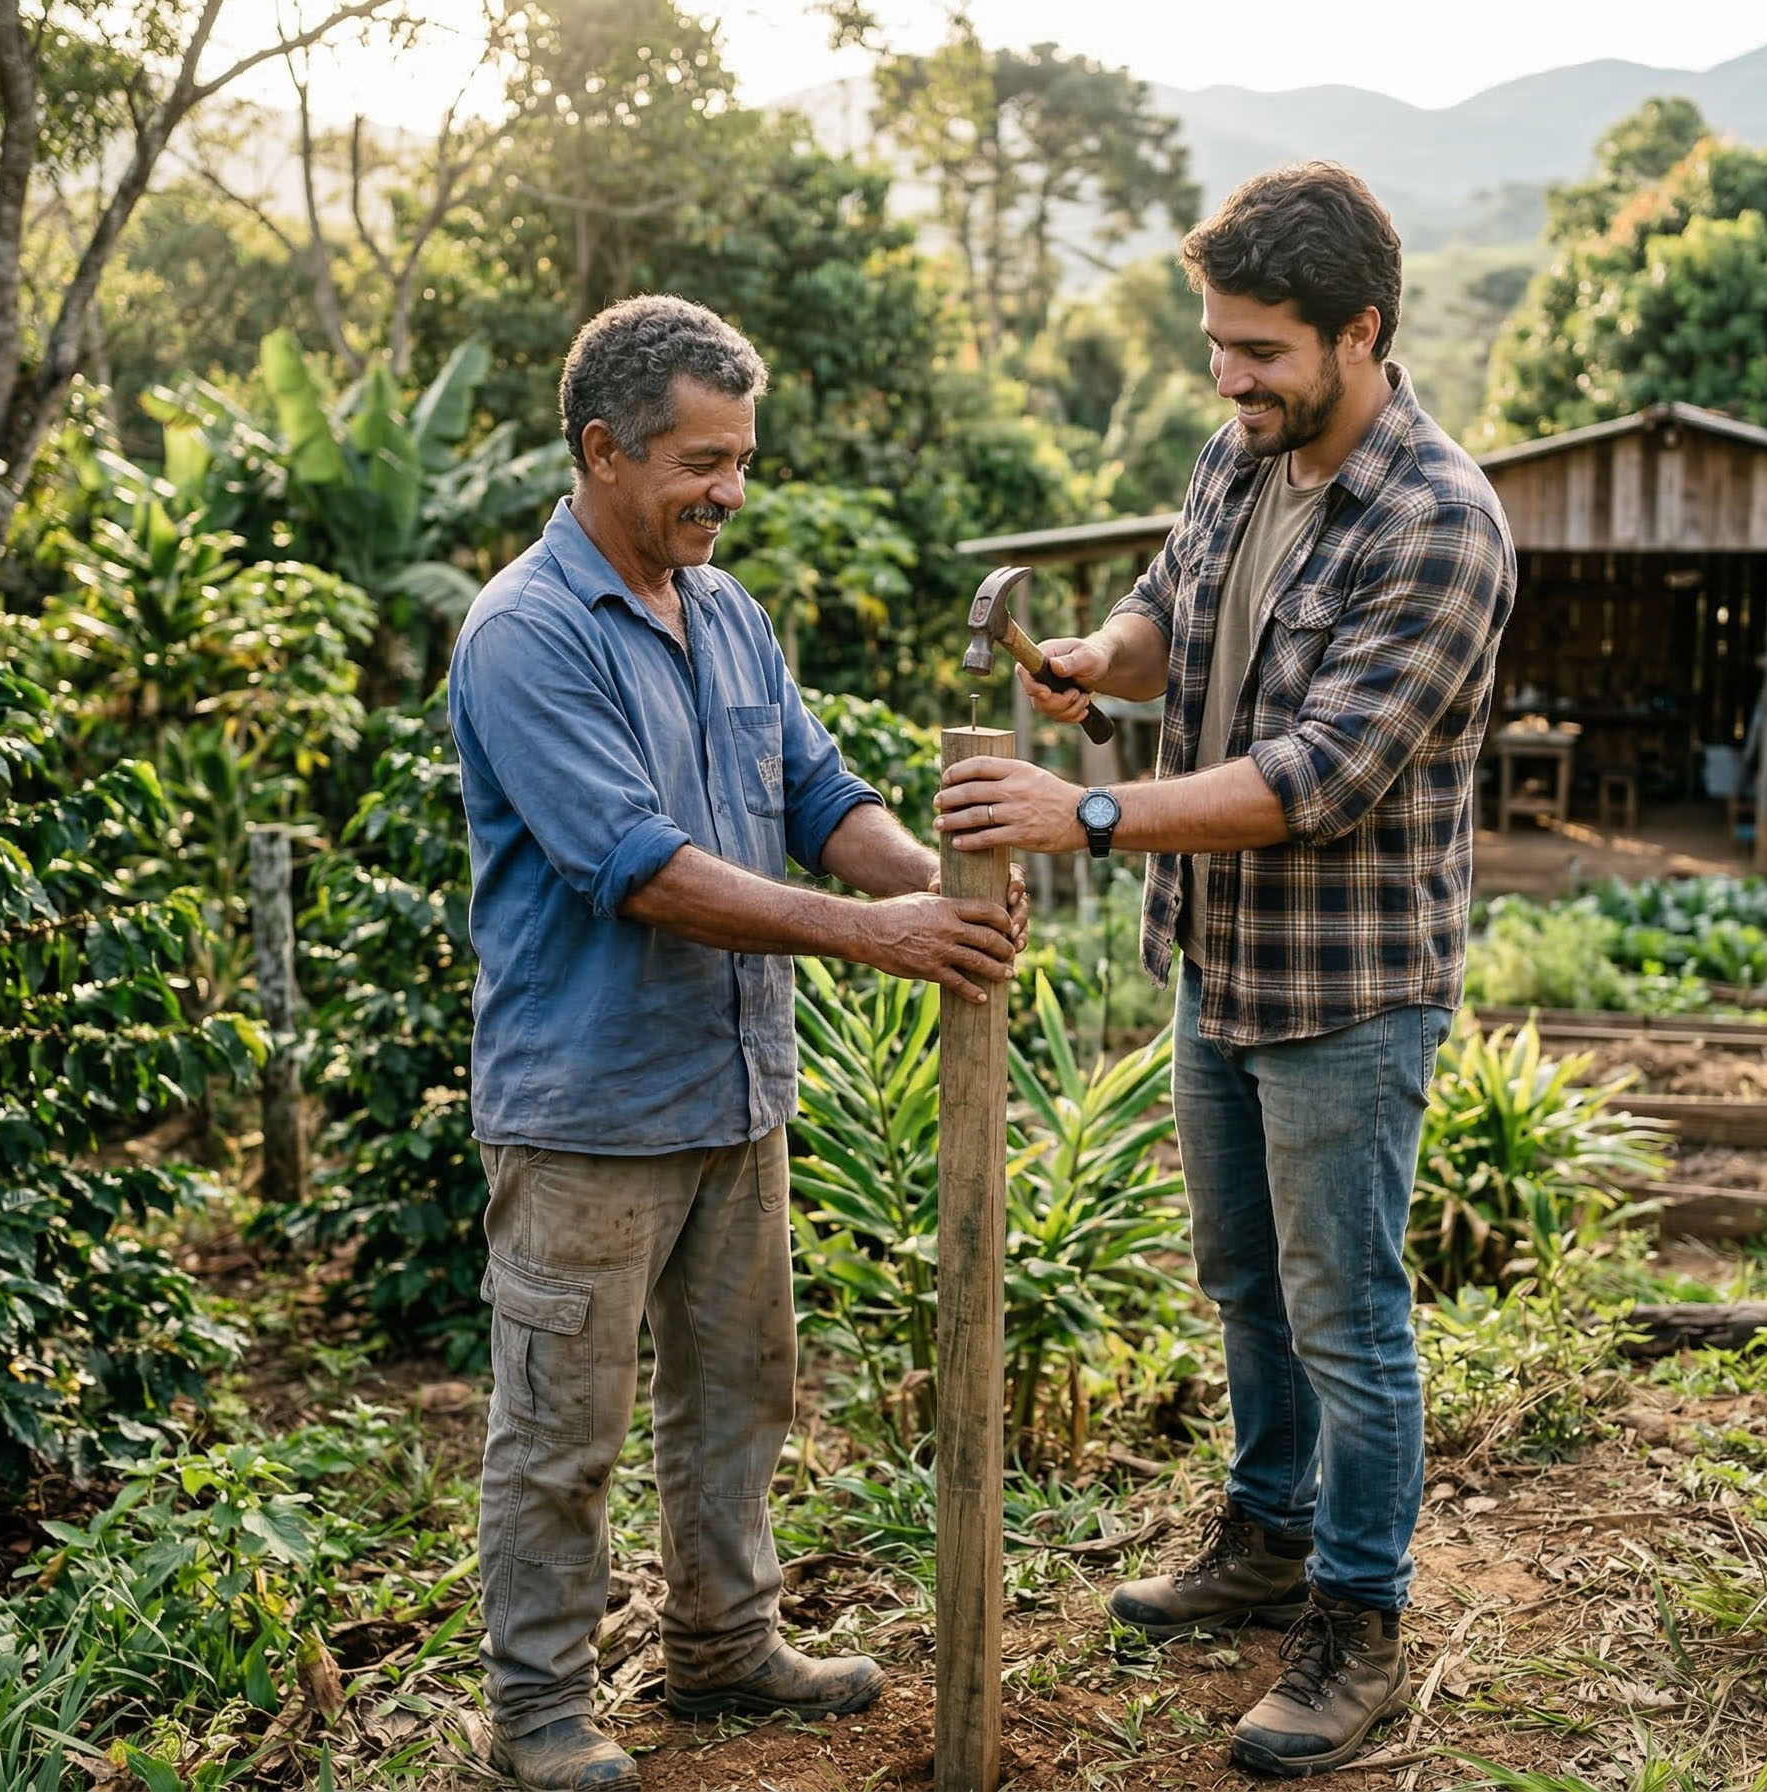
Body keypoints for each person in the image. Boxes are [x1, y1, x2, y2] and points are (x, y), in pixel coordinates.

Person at [935, 163, 1515, 1777]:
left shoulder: (1440, 526)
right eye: (1217, 345)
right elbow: (1167, 611)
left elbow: (1319, 774)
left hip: (1348, 991)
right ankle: (1266, 1535)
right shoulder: (1237, 455)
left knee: (1350, 1316)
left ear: (1360, 331)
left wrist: (1088, 810)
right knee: (1245, 1285)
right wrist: (1093, 665)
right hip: (1220, 960)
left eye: (1260, 349)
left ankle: (1356, 1615)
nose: (1230, 377)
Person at [451, 294, 1026, 1792]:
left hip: (731, 1086)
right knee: (559, 1428)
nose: (728, 491)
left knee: (738, 1392)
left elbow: (820, 796)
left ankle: (723, 1647)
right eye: (701, 463)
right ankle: (538, 1716)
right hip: (585, 1107)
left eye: (742, 462)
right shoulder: (528, 633)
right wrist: (876, 939)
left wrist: (932, 881)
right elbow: (636, 868)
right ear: (602, 450)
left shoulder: (729, 614)